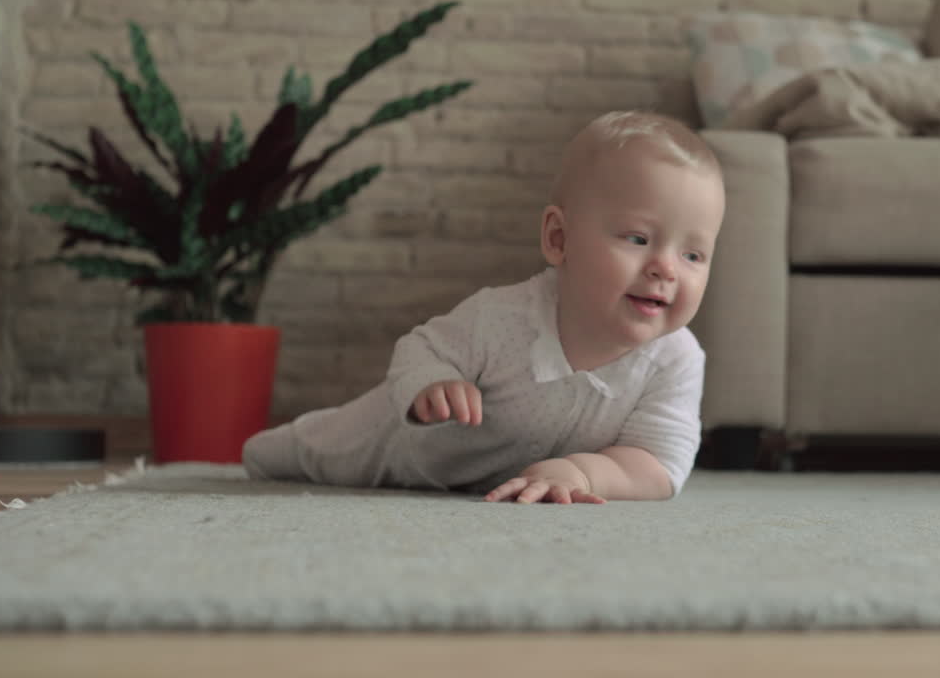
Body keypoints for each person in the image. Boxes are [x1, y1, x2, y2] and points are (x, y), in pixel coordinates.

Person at [242, 110, 726, 503]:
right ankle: (268, 448)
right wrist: (435, 383)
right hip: (400, 446)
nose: (666, 268)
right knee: (315, 450)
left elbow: (658, 464)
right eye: (639, 239)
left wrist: (582, 473)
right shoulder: (504, 319)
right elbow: (420, 348)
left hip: (493, 481)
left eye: (693, 255)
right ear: (560, 240)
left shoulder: (675, 360)